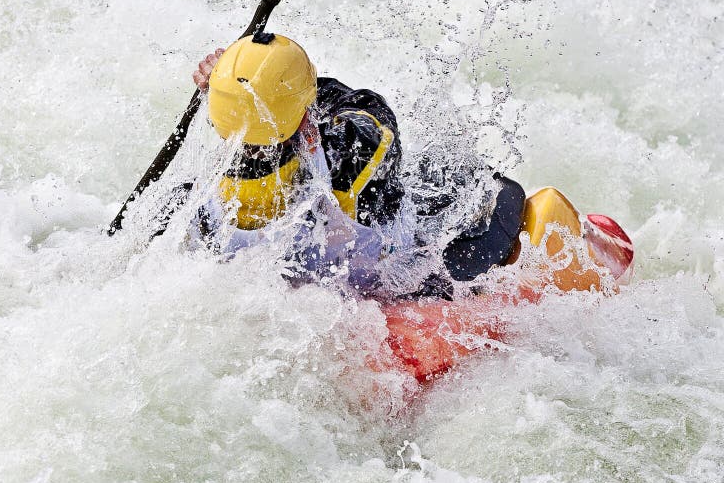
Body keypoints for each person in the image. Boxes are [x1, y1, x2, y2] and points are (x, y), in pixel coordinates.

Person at [159, 31, 526, 300]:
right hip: (390, 286)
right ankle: (472, 297)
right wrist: (281, 80)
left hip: (296, 302)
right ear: (304, 110)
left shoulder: (191, 203)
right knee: (501, 192)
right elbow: (370, 110)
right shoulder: (347, 155)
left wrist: (240, 82)